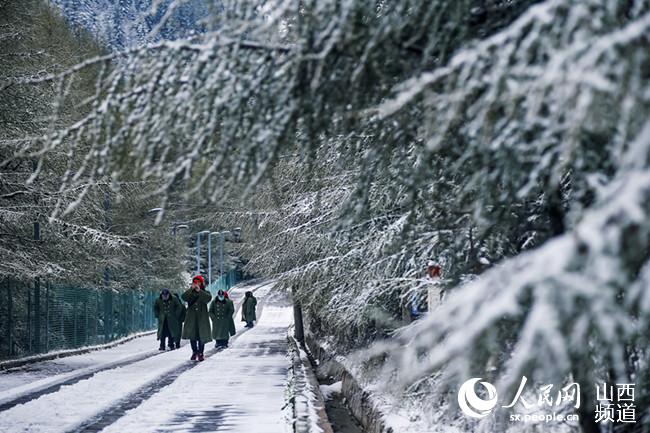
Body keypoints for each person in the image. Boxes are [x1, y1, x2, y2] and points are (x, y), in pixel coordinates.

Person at [181, 275, 212, 361]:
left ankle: (201, 353)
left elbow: (208, 299)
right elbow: (183, 297)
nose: (196, 284)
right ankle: (194, 352)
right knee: (192, 336)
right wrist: (191, 289)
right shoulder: (190, 292)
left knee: (202, 336)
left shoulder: (205, 292)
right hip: (192, 318)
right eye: (195, 282)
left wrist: (200, 291)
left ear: (201, 283)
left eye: (198, 282)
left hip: (202, 318)